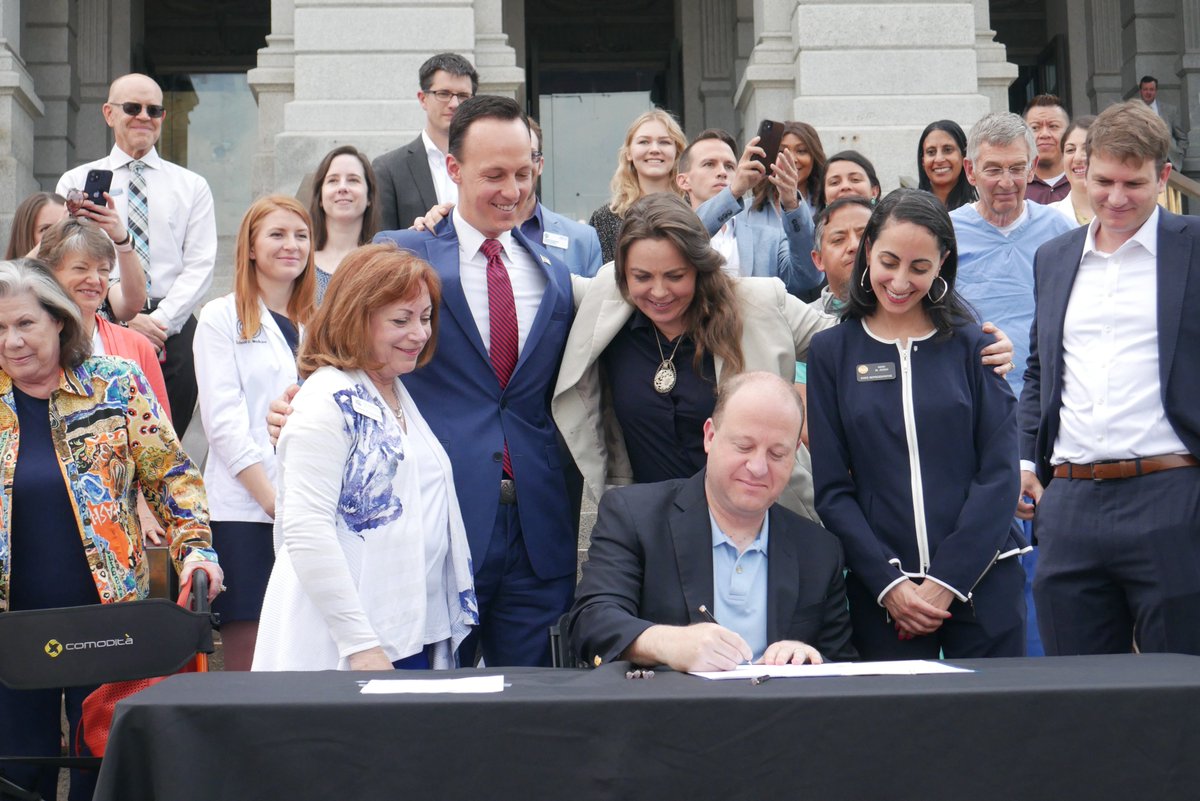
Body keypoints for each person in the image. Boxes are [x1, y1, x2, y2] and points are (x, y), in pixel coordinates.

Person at [552, 192, 1015, 524]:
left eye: (675, 275)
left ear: (701, 266)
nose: (657, 291)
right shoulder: (601, 305)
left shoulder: (757, 302)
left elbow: (862, 342)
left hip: (759, 520)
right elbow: (525, 283)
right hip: (649, 526)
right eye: (640, 277)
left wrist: (964, 346)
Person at [0, 259, 221, 801]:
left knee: (104, 772)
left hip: (107, 622)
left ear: (58, 320)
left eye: (24, 323)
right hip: (9, 633)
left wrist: (196, 551)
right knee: (13, 772)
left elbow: (173, 480)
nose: (12, 341)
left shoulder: (115, 384)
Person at [373, 95, 578, 668]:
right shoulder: (400, 252)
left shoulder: (554, 273)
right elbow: (341, 355)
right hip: (435, 519)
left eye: (523, 172)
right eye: (494, 175)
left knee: (537, 708)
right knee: (436, 713)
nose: (512, 190)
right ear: (454, 171)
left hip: (538, 528)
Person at [809, 189, 1026, 661]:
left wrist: (947, 580)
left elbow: (1000, 474)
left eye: (920, 268)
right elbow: (831, 489)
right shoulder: (832, 354)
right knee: (898, 733)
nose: (900, 281)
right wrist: (888, 583)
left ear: (943, 263)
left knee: (998, 727)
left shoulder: (975, 345)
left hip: (985, 578)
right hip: (884, 592)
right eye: (889, 260)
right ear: (868, 251)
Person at [1018, 100, 1200, 657]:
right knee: (1079, 696)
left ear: (1163, 177)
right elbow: (1040, 371)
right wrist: (1026, 460)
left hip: (1172, 495)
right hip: (1069, 501)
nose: (1116, 198)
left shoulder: (1194, 247)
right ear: (1082, 168)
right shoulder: (1053, 256)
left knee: (1182, 692)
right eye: (1104, 181)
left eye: (1133, 183)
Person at [253, 243, 476, 671]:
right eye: (401, 320)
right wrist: (360, 645)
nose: (420, 333)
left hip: (409, 632)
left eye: (426, 318)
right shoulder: (324, 399)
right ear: (356, 317)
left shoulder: (395, 388)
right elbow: (306, 530)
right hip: (349, 648)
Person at [568, 371, 856, 670]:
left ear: (796, 454)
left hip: (780, 714)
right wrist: (669, 644)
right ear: (710, 436)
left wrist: (808, 657)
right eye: (744, 446)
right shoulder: (634, 516)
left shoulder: (820, 549)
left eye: (777, 453)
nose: (758, 467)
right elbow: (592, 622)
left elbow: (845, 666)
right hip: (664, 712)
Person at [952, 112, 1073, 656]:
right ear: (970, 169)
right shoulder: (946, 233)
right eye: (994, 169)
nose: (1006, 181)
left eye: (1018, 169)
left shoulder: (1062, 234)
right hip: (971, 409)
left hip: (1048, 407)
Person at [56, 73, 218, 438]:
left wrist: (158, 322)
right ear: (109, 113)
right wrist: (124, 318)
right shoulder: (74, 182)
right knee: (100, 432)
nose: (144, 116)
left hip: (172, 330)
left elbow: (200, 264)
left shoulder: (192, 186)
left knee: (165, 438)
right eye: (133, 108)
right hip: (97, 320)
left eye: (154, 110)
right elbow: (66, 254)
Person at [193, 196, 315, 671]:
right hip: (244, 510)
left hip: (306, 504)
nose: (292, 245)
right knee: (250, 654)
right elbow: (223, 423)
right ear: (249, 247)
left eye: (301, 235)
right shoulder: (220, 317)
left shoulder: (318, 323)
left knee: (302, 646)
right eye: (278, 235)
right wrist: (271, 500)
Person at [37, 216, 170, 547]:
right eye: (80, 268)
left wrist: (147, 507)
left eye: (102, 270)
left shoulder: (136, 347)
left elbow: (159, 443)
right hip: (43, 507)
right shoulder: (25, 346)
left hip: (116, 525)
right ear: (49, 275)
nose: (94, 280)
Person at [679, 129, 821, 294]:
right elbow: (685, 238)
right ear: (683, 181)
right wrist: (733, 192)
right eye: (709, 164)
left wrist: (792, 203)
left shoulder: (769, 237)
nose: (722, 172)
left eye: (730, 166)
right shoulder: (672, 225)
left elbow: (809, 276)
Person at [373, 53, 478, 232]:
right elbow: (383, 244)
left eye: (463, 96)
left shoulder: (485, 162)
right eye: (443, 94)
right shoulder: (389, 169)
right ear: (423, 99)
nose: (454, 103)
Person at [588, 109, 687, 264]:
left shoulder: (693, 209)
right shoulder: (605, 218)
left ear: (677, 153)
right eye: (644, 142)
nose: (654, 149)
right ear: (628, 153)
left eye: (664, 142)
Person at [522, 118, 603, 276]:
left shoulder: (583, 240)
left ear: (541, 165)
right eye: (514, 153)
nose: (522, 162)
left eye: (531, 155)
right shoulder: (471, 232)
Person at [308, 145, 380, 303]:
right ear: (320, 197)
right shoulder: (300, 264)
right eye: (333, 180)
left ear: (369, 197)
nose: (342, 188)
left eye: (353, 180)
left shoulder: (382, 264)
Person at [917, 120, 976, 211]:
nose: (939, 159)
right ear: (923, 161)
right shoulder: (910, 212)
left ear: (964, 156)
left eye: (948, 150)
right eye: (931, 152)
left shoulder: (979, 212)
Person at [1047, 116, 1096, 226]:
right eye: (1070, 150)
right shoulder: (1048, 217)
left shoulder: (1124, 212)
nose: (1077, 158)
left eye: (1087, 148)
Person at [1023, 94, 1071, 205]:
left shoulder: (1084, 182)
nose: (1044, 134)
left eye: (1053, 126)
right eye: (1035, 127)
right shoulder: (1015, 186)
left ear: (1069, 133)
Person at [1139, 75, 1187, 169]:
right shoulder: (1133, 111)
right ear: (1141, 91)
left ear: (1156, 91)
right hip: (1142, 163)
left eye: (1151, 89)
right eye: (1145, 89)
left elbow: (1182, 137)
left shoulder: (1170, 111)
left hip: (1168, 162)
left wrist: (1180, 153)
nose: (1148, 92)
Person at [5, 192, 65, 260]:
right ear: (25, 236)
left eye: (65, 225)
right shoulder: (8, 270)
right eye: (46, 229)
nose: (60, 234)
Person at [815, 150, 881, 211]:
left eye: (855, 179)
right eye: (834, 182)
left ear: (874, 191)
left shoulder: (888, 223)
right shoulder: (813, 223)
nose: (845, 186)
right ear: (824, 197)